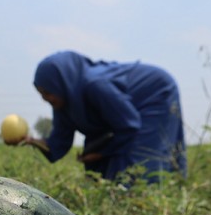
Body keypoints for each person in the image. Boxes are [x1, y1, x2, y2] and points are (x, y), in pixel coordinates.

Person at [18, 50, 187, 184]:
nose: (45, 99)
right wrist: (30, 140)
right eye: (41, 94)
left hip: (154, 93)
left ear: (61, 83)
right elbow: (57, 145)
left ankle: (145, 200)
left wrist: (102, 153)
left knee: (139, 159)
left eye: (48, 92)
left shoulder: (95, 85)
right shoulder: (65, 102)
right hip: (126, 116)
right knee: (105, 169)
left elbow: (128, 125)